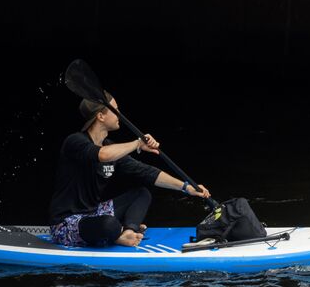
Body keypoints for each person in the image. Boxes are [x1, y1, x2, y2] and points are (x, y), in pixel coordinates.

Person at [48, 94, 212, 248]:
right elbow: (103, 155)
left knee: (141, 193)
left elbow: (147, 172)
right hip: (66, 223)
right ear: (100, 116)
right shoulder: (75, 141)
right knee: (109, 224)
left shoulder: (110, 146)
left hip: (93, 213)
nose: (119, 113)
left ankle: (128, 231)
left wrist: (186, 187)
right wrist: (137, 144)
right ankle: (117, 235)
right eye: (115, 109)